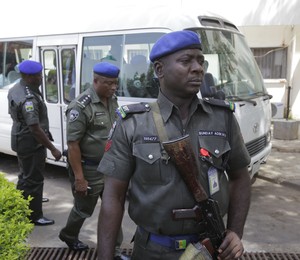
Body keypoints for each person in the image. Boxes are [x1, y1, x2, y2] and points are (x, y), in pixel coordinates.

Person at [97, 30, 251, 259]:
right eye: (186, 61)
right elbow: (113, 196)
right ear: (159, 70)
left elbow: (240, 176)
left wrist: (236, 232)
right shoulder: (133, 123)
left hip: (211, 249)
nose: (198, 68)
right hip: (152, 251)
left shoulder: (222, 118)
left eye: (200, 61)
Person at [59, 62, 123, 256]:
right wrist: (79, 177)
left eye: (115, 83)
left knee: (113, 207)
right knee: (83, 208)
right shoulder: (81, 106)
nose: (113, 87)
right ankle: (69, 235)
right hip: (89, 169)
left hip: (110, 166)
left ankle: (115, 249)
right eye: (108, 83)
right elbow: (73, 144)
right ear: (95, 81)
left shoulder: (112, 99)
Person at [7, 60, 62, 226]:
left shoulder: (17, 88)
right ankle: (35, 215)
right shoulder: (28, 98)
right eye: (39, 75)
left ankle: (24, 203)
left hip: (20, 138)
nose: (41, 77)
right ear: (29, 77)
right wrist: (53, 149)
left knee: (25, 176)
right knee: (34, 179)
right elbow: (35, 128)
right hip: (30, 143)